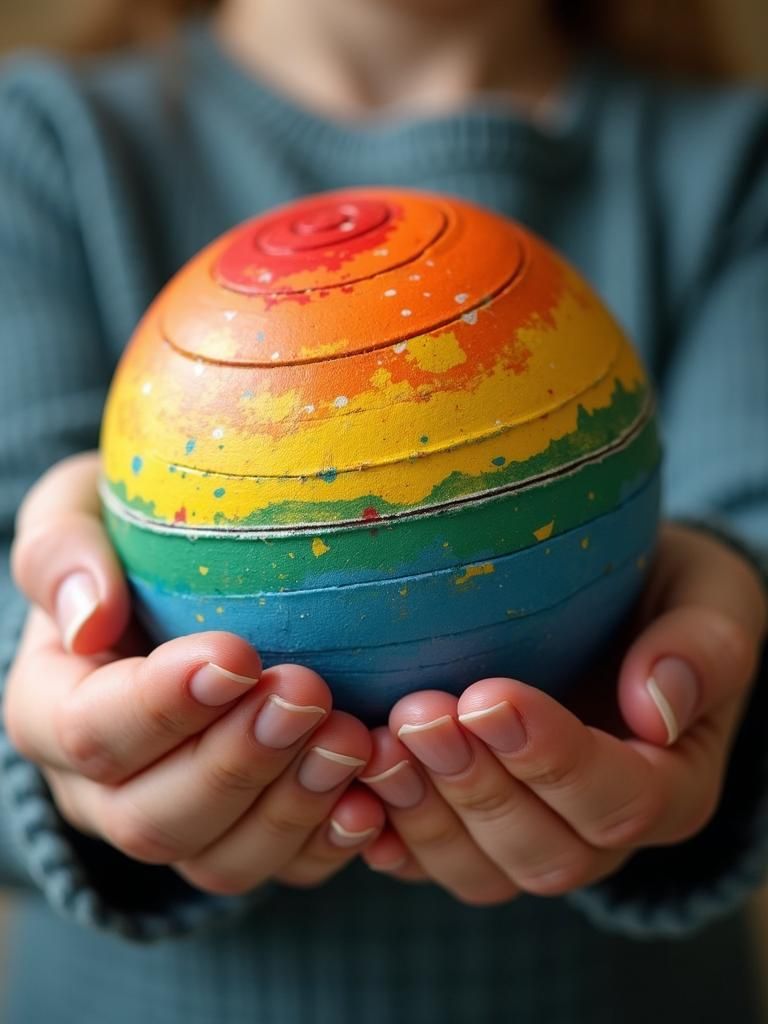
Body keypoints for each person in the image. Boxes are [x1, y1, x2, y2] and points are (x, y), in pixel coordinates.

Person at [0, 1, 767, 1021]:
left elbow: (747, 516)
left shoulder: (736, 161)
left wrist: (730, 661)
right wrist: (65, 736)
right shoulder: (39, 148)